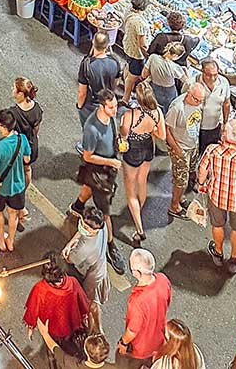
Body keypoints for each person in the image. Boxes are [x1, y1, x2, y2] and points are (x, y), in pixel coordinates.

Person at [196, 117, 236, 273]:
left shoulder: (212, 150)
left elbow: (202, 170)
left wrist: (202, 184)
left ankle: (218, 251)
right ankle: (234, 259)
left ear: (224, 134)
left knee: (217, 225)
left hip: (216, 196)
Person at [72, 89, 124, 273]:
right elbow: (87, 156)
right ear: (102, 106)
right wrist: (110, 161)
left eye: (116, 106)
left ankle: (77, 206)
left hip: (106, 171)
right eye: (111, 107)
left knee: (88, 187)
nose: (115, 110)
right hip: (99, 174)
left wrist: (118, 144)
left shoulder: (110, 119)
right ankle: (111, 247)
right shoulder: (91, 128)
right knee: (106, 212)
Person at [23, 255, 90, 367]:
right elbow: (83, 303)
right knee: (70, 351)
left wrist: (31, 326)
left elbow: (33, 309)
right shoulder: (72, 282)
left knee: (52, 350)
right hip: (70, 326)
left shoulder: (40, 289)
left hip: (51, 329)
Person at [120, 81, 165, 245]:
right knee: (142, 181)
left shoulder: (130, 115)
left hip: (133, 151)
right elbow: (162, 136)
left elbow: (124, 135)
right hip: (148, 148)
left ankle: (139, 230)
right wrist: (150, 130)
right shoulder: (158, 112)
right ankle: (138, 208)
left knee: (130, 191)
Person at [116, 249, 171, 366]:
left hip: (140, 348)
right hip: (158, 341)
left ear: (137, 273)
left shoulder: (138, 300)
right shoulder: (163, 280)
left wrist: (123, 343)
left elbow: (132, 330)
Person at [0, 109, 30, 252]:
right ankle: (10, 241)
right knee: (13, 214)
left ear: (4, 127)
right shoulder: (21, 139)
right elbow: (27, 159)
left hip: (2, 188)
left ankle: (1, 240)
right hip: (18, 186)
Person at [61, 204, 110, 323]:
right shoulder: (102, 226)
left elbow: (69, 259)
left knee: (89, 300)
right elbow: (81, 232)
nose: (81, 226)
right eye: (81, 222)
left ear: (93, 230)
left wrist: (66, 252)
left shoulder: (85, 248)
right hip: (100, 266)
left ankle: (89, 323)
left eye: (85, 227)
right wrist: (70, 244)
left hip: (93, 275)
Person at [164, 82, 206, 218]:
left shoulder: (197, 104)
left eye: (201, 101)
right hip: (181, 147)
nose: (199, 103)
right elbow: (167, 130)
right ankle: (174, 206)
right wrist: (178, 150)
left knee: (186, 176)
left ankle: (180, 198)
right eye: (196, 100)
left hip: (192, 144)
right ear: (189, 93)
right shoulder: (177, 108)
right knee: (181, 180)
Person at [9, 77, 42, 222]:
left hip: (19, 149)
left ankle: (18, 203)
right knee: (27, 170)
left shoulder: (13, 113)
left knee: (15, 174)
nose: (12, 90)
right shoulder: (36, 108)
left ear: (21, 93)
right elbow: (36, 129)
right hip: (32, 145)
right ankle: (23, 192)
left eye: (14, 89)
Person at [77, 33, 123, 125]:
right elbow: (116, 83)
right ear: (106, 46)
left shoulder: (87, 65)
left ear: (93, 42)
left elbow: (82, 92)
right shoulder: (115, 61)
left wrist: (79, 106)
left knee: (89, 129)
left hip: (91, 104)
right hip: (107, 103)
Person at [197, 57, 232, 155]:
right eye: (208, 75)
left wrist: (225, 122)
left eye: (215, 75)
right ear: (202, 72)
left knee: (211, 151)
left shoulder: (224, 83)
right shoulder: (194, 83)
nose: (212, 78)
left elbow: (226, 103)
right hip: (198, 127)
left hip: (215, 126)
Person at [121, 0, 151, 102]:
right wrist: (147, 55)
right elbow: (142, 44)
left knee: (128, 67)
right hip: (135, 53)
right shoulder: (139, 23)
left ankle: (125, 84)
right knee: (133, 76)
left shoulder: (129, 11)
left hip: (128, 45)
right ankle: (126, 98)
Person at [144, 41, 185, 114]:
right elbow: (186, 81)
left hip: (154, 87)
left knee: (153, 106)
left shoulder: (153, 57)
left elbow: (144, 74)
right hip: (169, 92)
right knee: (166, 110)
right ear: (175, 56)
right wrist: (185, 71)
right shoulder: (175, 67)